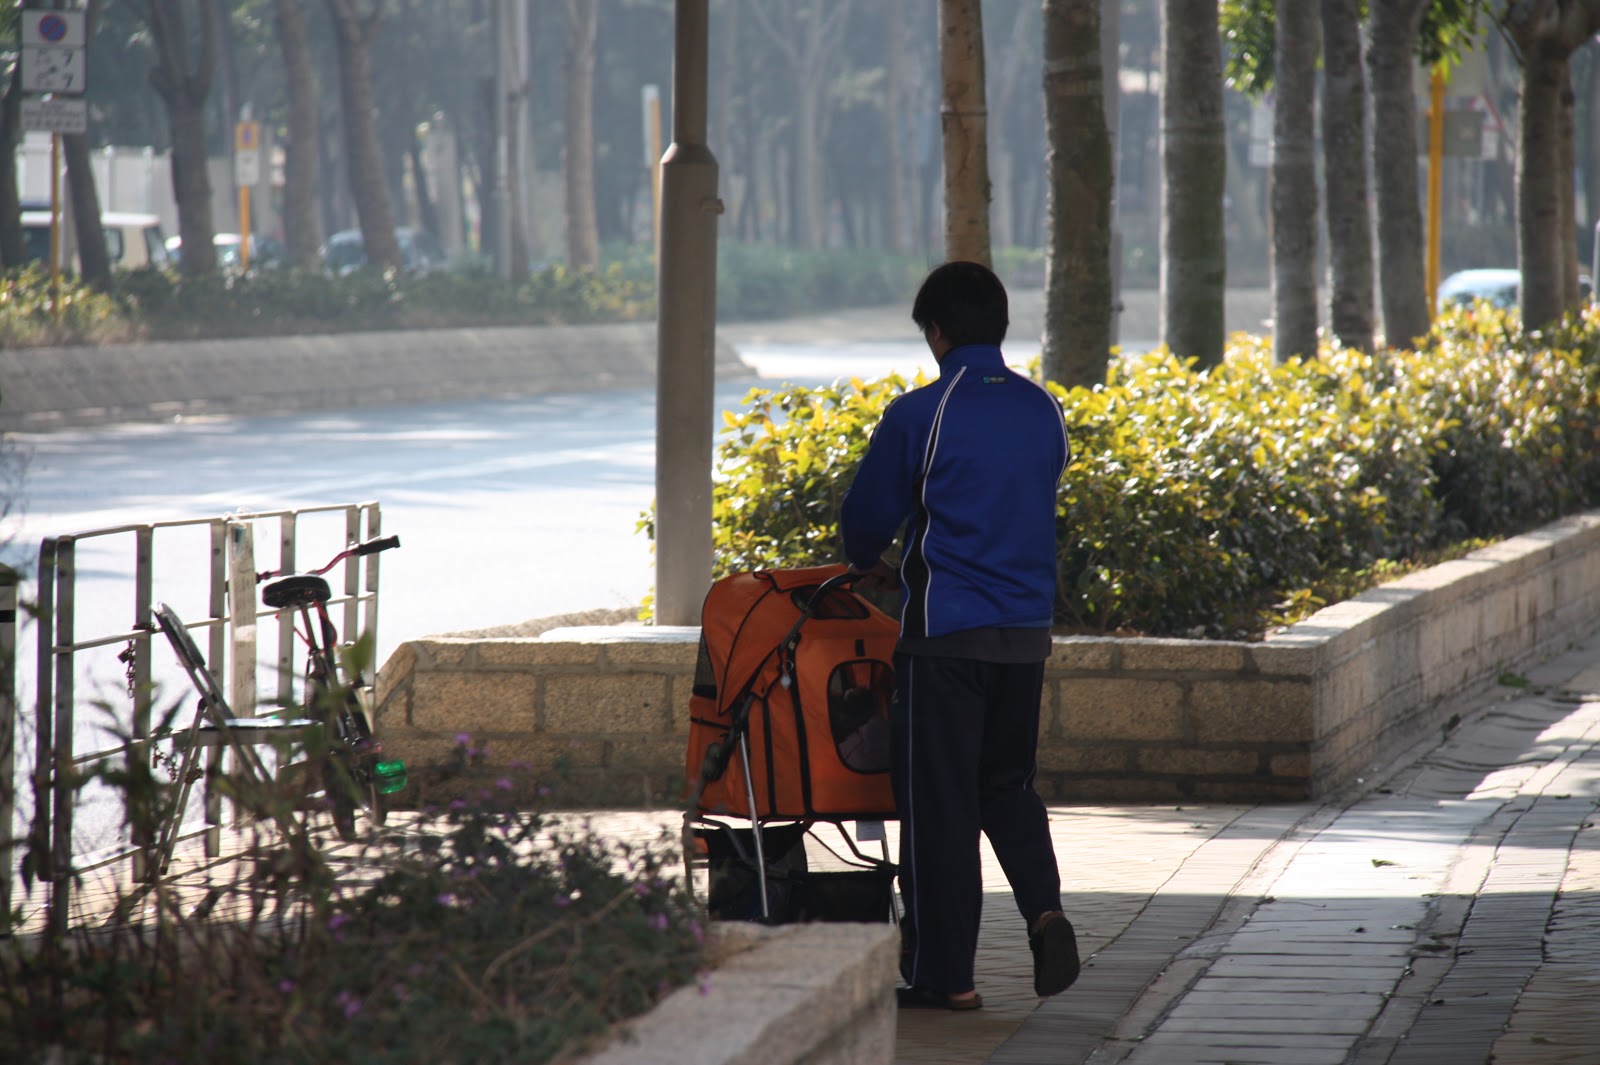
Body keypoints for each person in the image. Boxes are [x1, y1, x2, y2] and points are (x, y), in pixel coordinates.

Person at [840, 260, 1079, 1011]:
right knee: (1007, 786)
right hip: (1025, 636)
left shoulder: (921, 412)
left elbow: (865, 524)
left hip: (945, 640)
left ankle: (949, 976)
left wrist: (868, 562)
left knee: (940, 807)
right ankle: (1044, 909)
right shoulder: (1044, 410)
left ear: (936, 333)